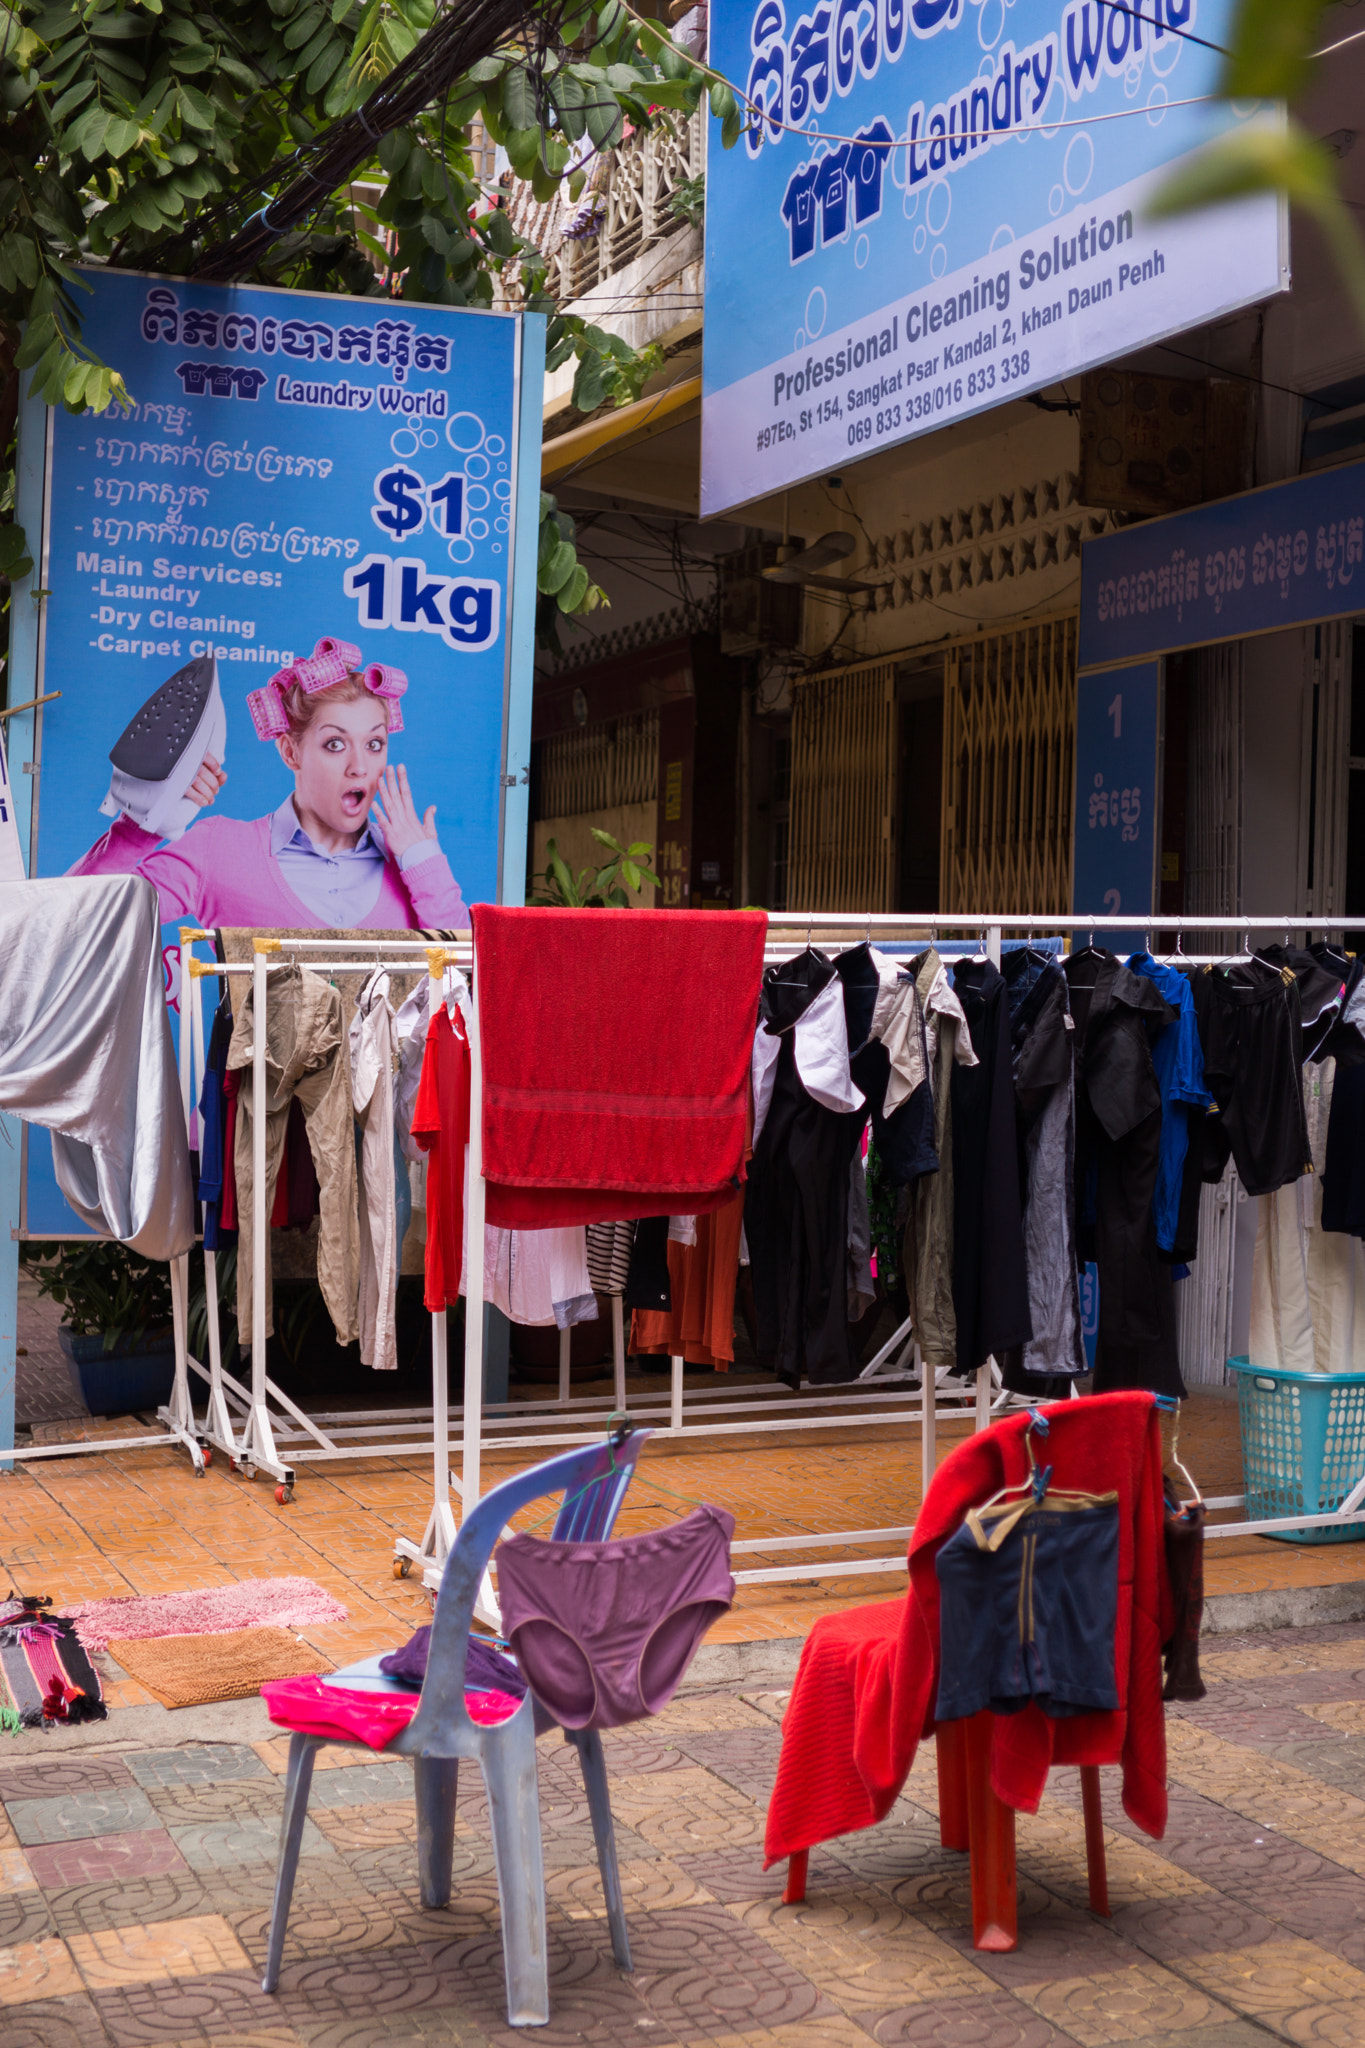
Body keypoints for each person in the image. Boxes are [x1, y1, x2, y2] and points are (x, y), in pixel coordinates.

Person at [70, 638, 468, 928]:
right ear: (291, 753)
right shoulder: (220, 849)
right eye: (334, 743)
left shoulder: (409, 864)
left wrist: (423, 863)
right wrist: (140, 824)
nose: (359, 767)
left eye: (374, 743)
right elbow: (76, 923)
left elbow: (468, 981)